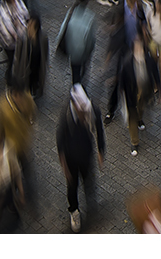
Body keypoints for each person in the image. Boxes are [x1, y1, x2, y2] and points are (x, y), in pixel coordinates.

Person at [56, 82, 106, 232]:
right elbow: (60, 140)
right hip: (71, 158)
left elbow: (99, 129)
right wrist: (64, 164)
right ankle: (74, 211)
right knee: (72, 186)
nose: (84, 113)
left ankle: (91, 205)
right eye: (81, 110)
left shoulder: (92, 109)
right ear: (74, 105)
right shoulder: (66, 115)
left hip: (86, 153)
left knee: (89, 181)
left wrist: (101, 151)